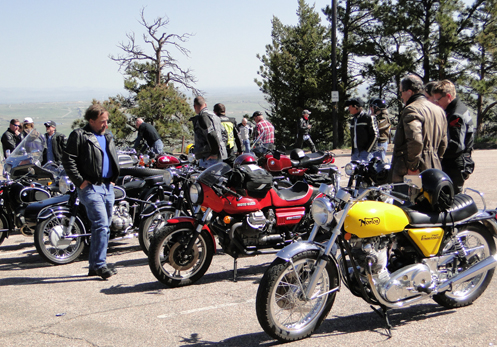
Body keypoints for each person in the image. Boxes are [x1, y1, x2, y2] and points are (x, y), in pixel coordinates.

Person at [62, 103, 120, 279]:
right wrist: (80, 182)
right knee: (101, 224)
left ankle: (95, 265)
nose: (106, 124)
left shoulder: (107, 136)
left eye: (107, 121)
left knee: (104, 227)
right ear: (91, 120)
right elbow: (68, 160)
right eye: (102, 121)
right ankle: (100, 265)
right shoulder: (80, 135)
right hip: (91, 187)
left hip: (107, 186)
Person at [390, 75, 448, 195]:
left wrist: (412, 167)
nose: (401, 96)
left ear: (409, 92)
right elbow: (443, 142)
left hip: (411, 172)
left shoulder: (412, 109)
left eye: (401, 92)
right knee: (428, 208)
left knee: (404, 208)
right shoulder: (439, 110)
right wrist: (436, 158)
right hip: (434, 169)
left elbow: (415, 140)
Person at [431, 79, 475, 194]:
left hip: (454, 165)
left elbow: (456, 146)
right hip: (454, 162)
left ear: (449, 96)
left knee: (451, 200)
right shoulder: (454, 109)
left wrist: (436, 153)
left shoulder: (456, 115)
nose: (436, 103)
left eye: (438, 99)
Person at [191, 96, 227, 168]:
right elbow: (224, 133)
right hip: (219, 154)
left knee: (207, 178)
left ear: (195, 106)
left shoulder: (203, 117)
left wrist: (214, 153)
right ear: (205, 104)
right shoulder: (214, 116)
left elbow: (211, 134)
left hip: (208, 157)